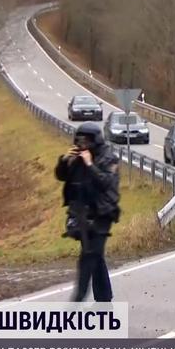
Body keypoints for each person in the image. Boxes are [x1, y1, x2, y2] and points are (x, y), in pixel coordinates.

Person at [55, 122, 121, 302]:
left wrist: (90, 164)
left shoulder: (108, 158)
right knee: (96, 256)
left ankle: (78, 298)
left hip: (103, 213)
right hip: (82, 213)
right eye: (79, 140)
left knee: (89, 256)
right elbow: (62, 176)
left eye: (86, 141)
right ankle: (104, 300)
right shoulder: (77, 157)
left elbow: (106, 182)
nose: (82, 144)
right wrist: (65, 160)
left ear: (95, 140)